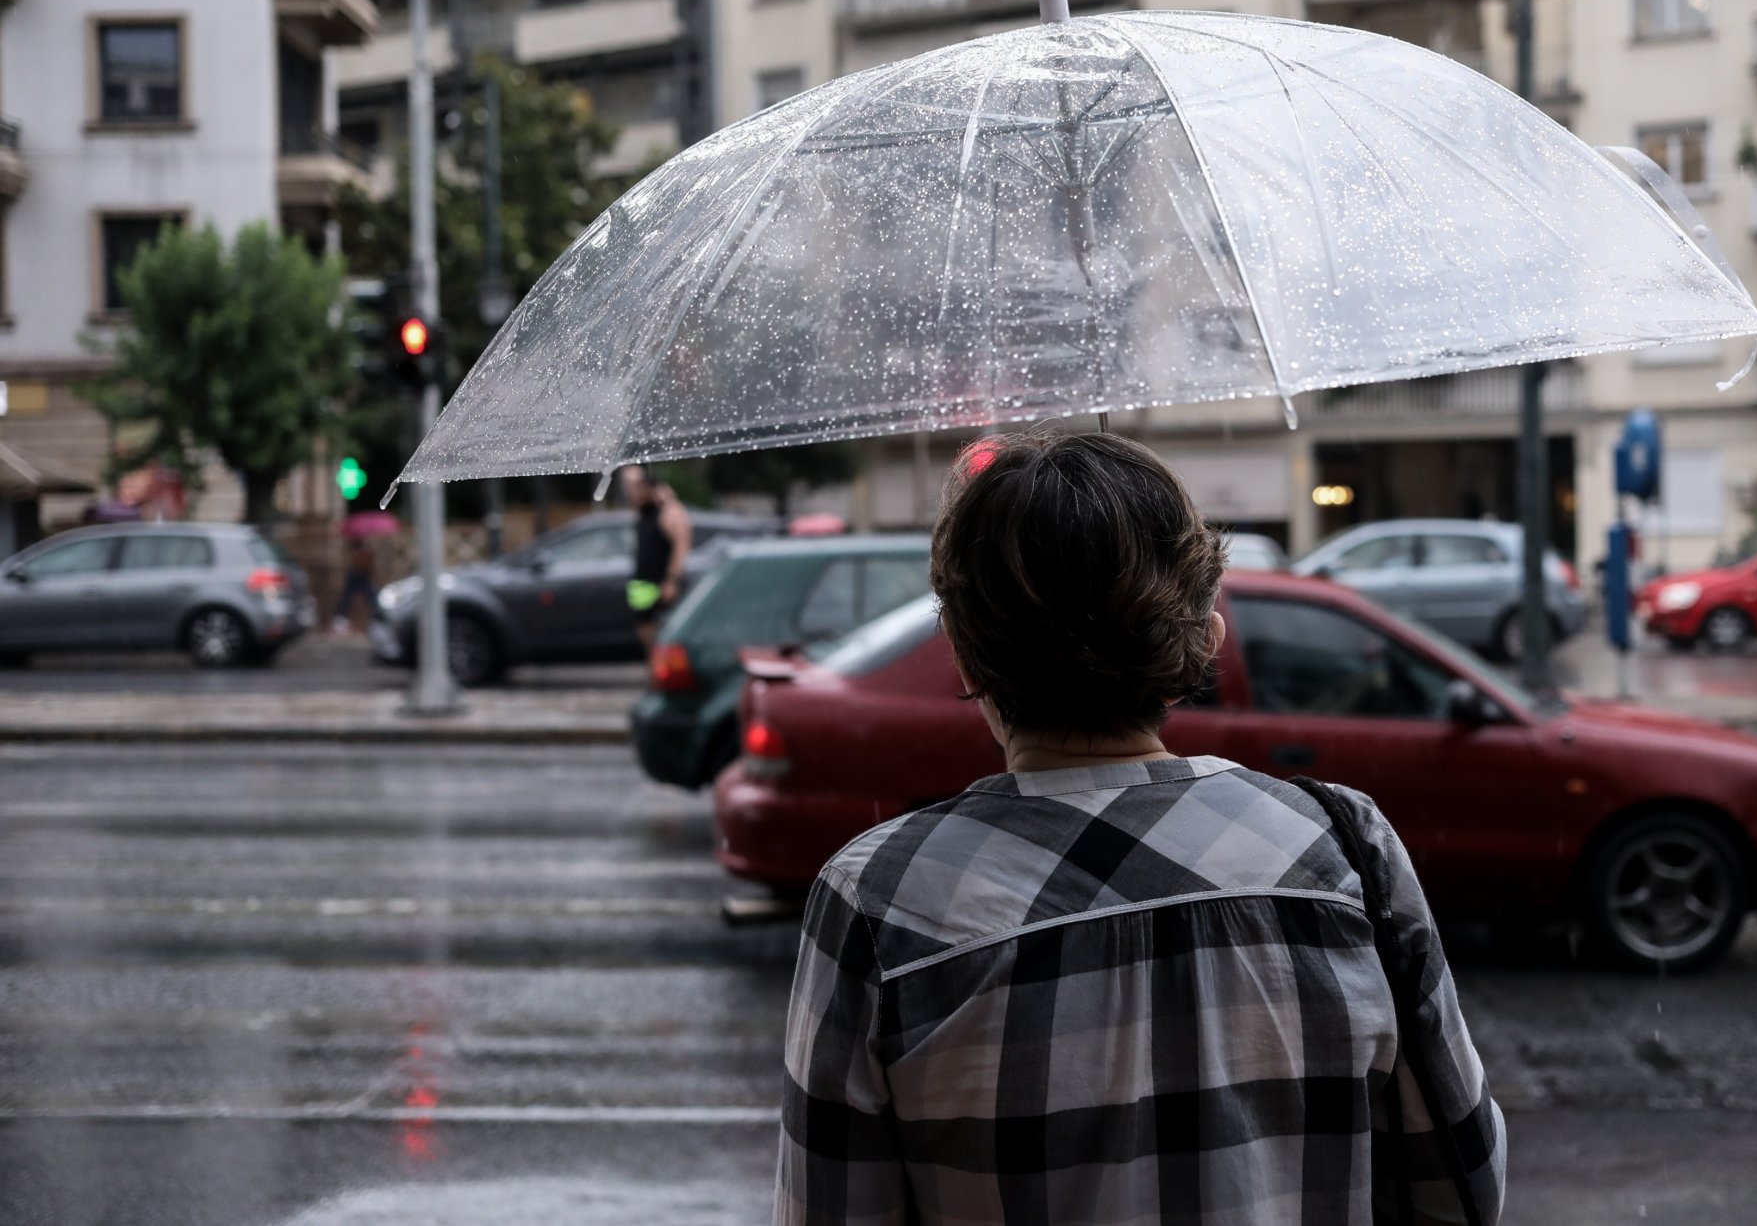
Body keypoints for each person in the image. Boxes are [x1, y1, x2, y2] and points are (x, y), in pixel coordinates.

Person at [777, 432, 1504, 1225]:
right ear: (1206, 636)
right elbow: (1462, 1187)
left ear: (961, 652)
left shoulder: (879, 902)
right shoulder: (1342, 847)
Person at [622, 464, 691, 647]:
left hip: (662, 585)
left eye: (636, 486)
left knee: (664, 635)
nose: (632, 491)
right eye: (629, 486)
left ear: (649, 486)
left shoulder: (666, 512)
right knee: (645, 629)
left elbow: (682, 541)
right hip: (642, 586)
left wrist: (672, 580)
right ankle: (654, 666)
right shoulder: (642, 511)